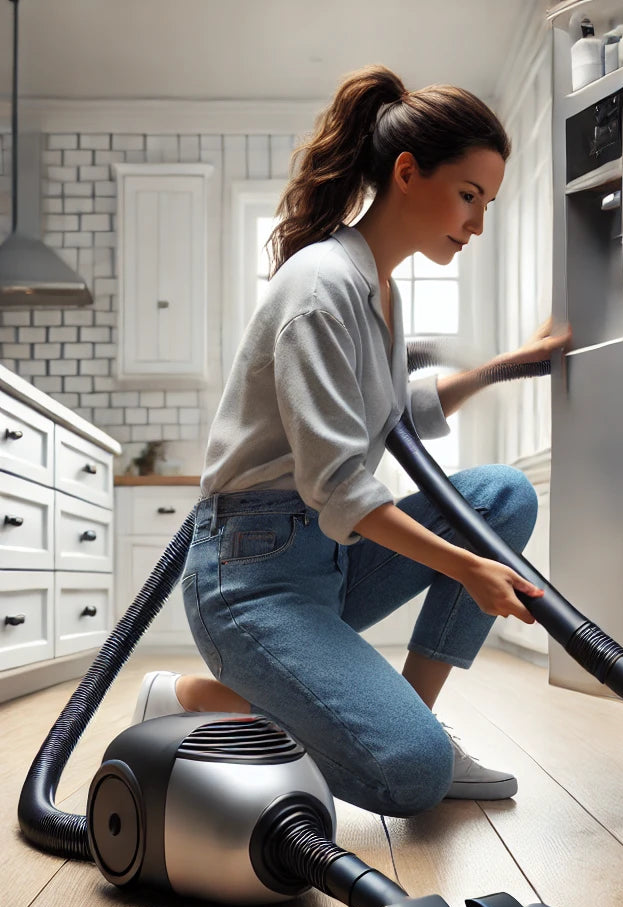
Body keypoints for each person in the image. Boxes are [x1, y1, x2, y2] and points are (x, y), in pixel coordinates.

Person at [130, 64, 571, 816]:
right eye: (470, 197)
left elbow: (393, 413)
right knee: (411, 778)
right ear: (407, 172)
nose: (477, 223)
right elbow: (339, 483)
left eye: (488, 203)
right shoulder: (322, 286)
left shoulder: (379, 287)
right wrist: (469, 568)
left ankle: (412, 721)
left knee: (502, 495)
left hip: (326, 561)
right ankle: (201, 700)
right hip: (252, 576)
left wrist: (507, 367)